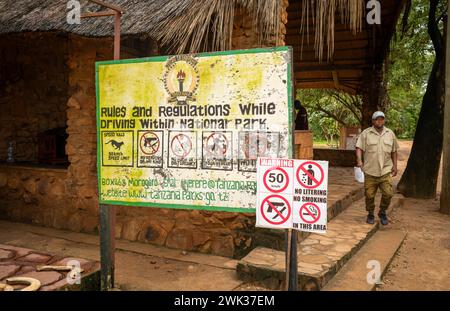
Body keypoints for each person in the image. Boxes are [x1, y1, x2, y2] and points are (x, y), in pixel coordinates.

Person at [355, 111, 399, 225]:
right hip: (370, 170)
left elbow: (394, 151)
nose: (379, 121)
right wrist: (359, 160)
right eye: (377, 119)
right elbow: (359, 147)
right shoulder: (366, 134)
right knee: (369, 195)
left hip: (385, 170)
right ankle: (370, 213)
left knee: (388, 193)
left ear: (384, 120)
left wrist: (395, 165)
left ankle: (382, 212)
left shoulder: (390, 134)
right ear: (373, 121)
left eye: (381, 119)